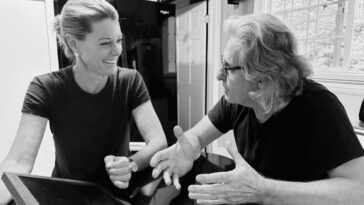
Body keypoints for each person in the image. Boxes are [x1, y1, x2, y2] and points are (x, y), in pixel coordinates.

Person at [150, 14, 364, 205]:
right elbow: (196, 136)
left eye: (228, 68)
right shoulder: (236, 102)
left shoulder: (319, 108)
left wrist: (263, 191)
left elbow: (358, 191)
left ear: (262, 80)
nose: (218, 75)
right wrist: (189, 149)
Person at [0, 0, 167, 204]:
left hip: (115, 196)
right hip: (66, 195)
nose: (117, 51)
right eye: (105, 43)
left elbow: (158, 141)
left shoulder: (130, 81)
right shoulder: (45, 87)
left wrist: (131, 163)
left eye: (118, 40)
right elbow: (18, 160)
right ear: (73, 43)